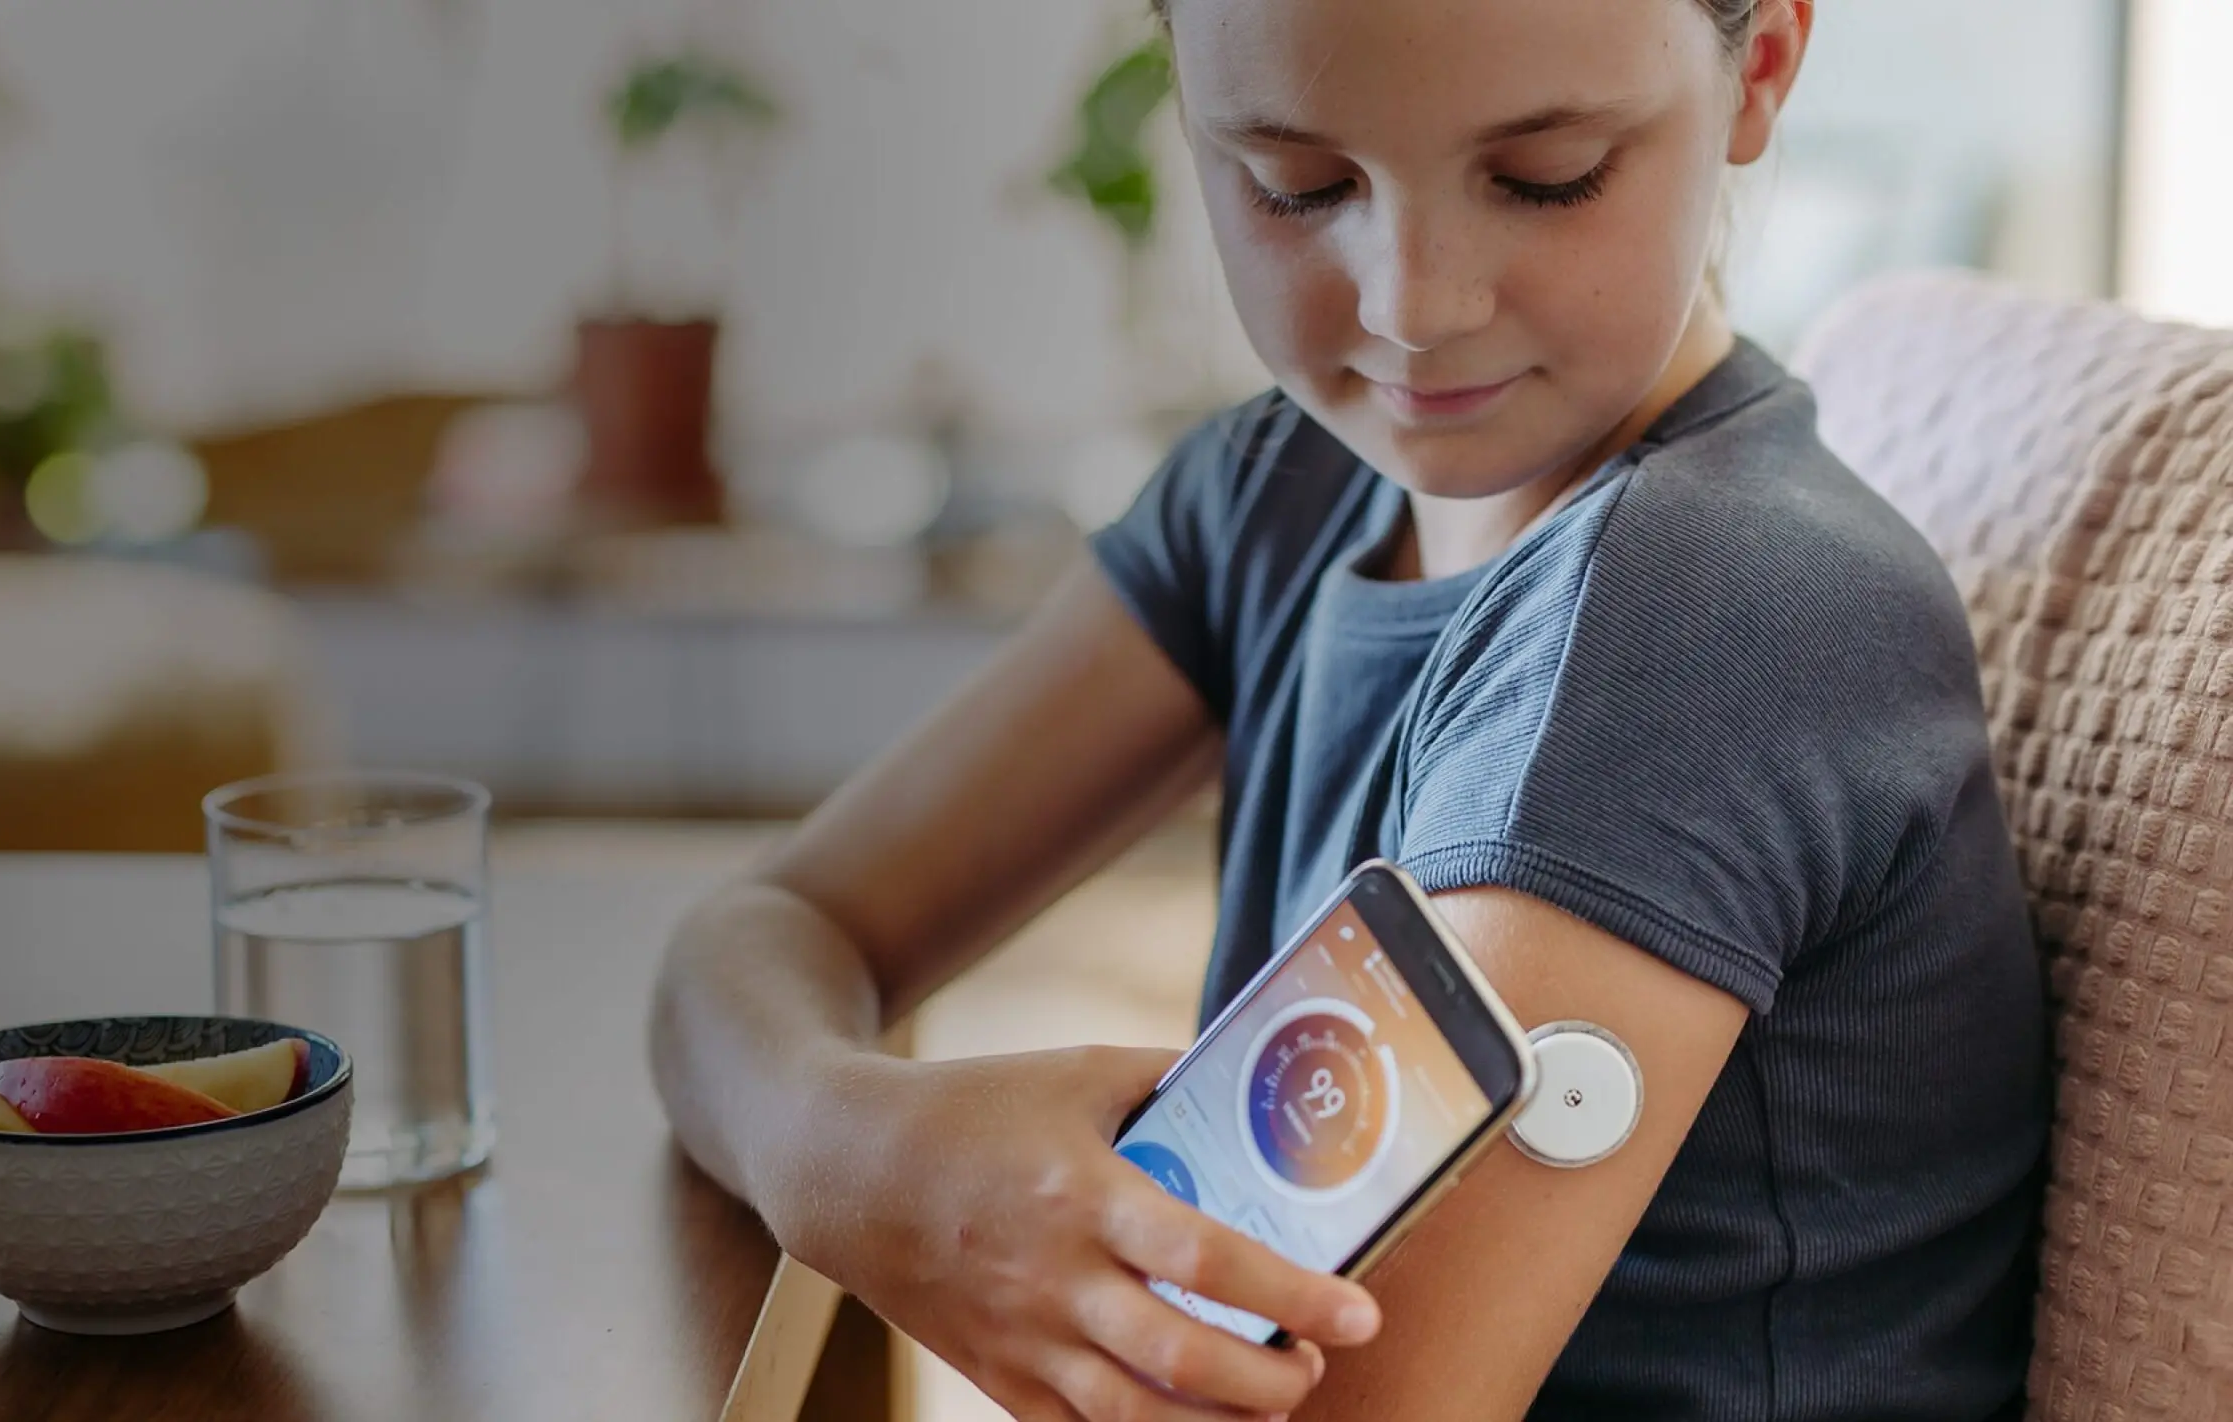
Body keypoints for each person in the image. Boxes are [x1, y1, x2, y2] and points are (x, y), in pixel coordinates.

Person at [647, 0, 2050, 1416]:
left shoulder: (1707, 613)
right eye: (1294, 184)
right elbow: (760, 935)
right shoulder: (1279, 496)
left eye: (1546, 172)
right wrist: (858, 1156)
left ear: (1760, 66)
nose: (1411, 307)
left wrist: (818, 1131)